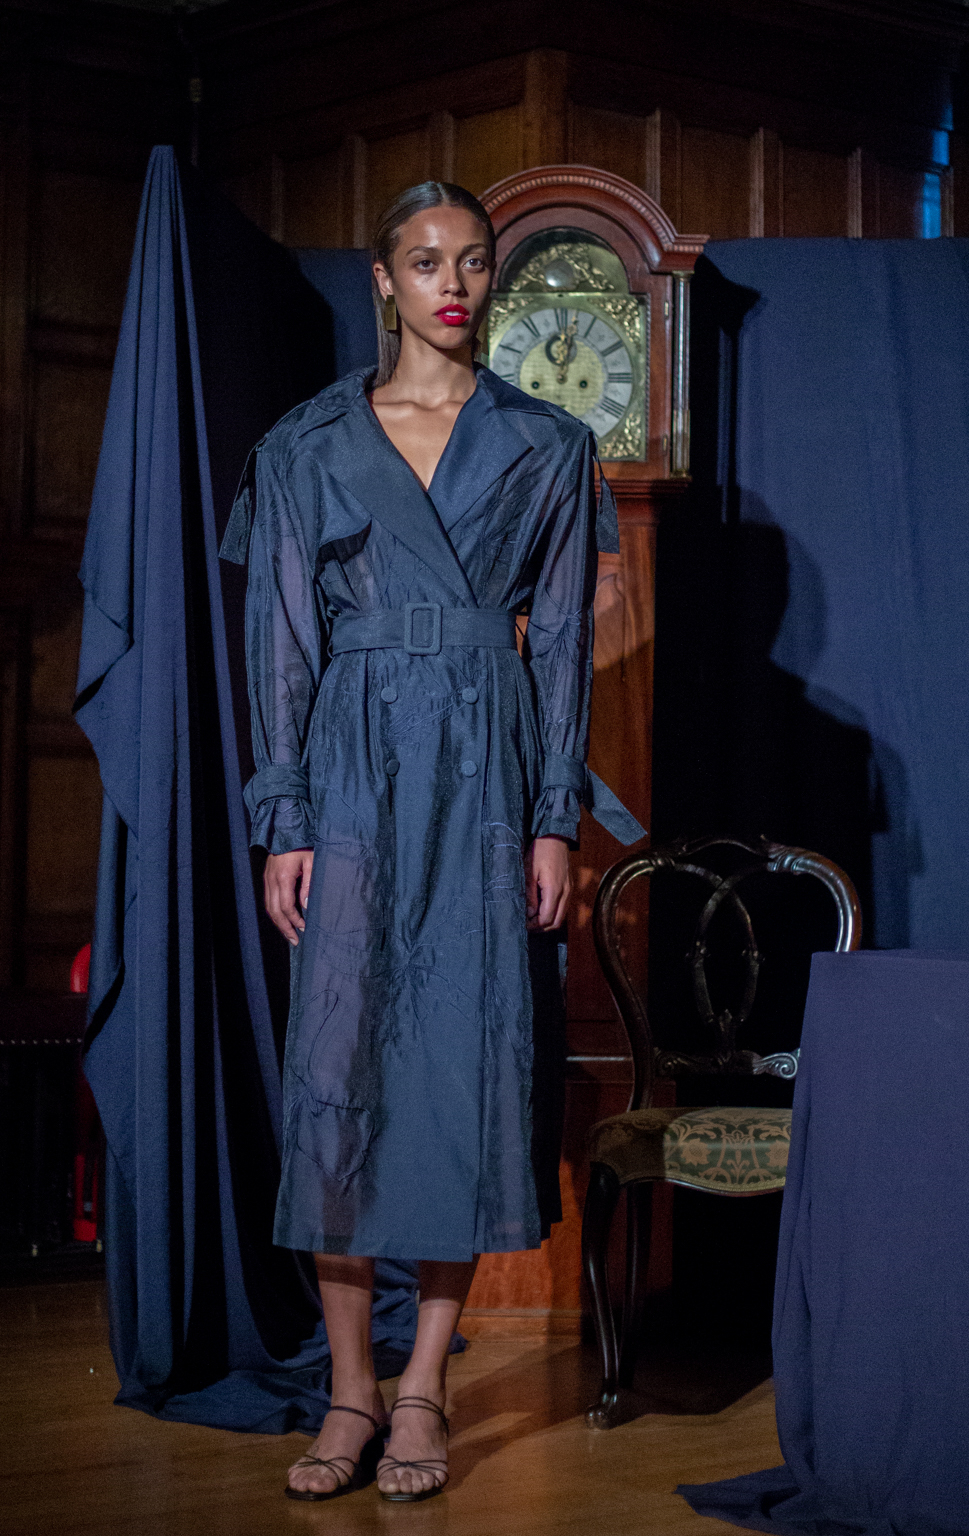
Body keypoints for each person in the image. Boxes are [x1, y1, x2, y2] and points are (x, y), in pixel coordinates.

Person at [221, 180, 640, 1503]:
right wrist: (283, 818)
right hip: (350, 768)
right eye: (425, 261)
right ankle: (348, 1390)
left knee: (465, 1067)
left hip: (483, 770)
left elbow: (560, 643)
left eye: (472, 261)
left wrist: (553, 818)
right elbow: (280, 642)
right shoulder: (306, 445)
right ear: (383, 280)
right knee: (337, 1069)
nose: (451, 284)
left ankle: (421, 1392)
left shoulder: (546, 444)